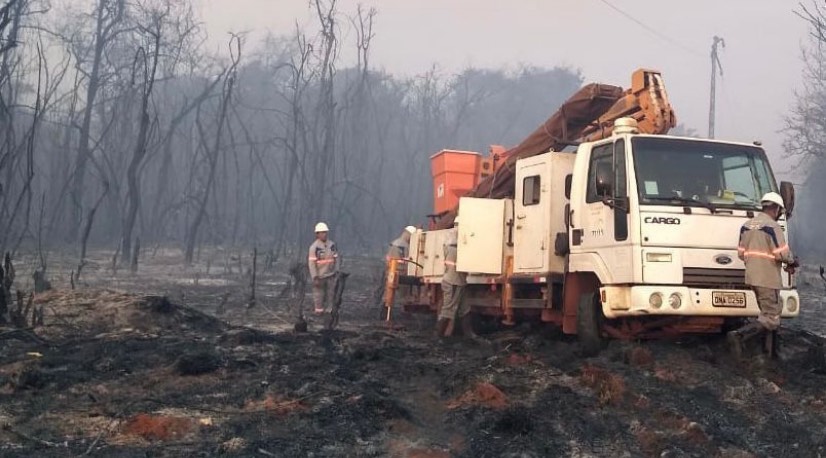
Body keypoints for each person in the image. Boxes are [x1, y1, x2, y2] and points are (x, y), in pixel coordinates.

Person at [728, 192, 799, 359]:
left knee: (767, 313)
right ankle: (739, 335)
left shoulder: (747, 226)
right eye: (779, 211)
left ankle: (769, 353)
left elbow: (741, 254)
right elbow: (781, 254)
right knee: (771, 317)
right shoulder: (772, 227)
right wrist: (792, 261)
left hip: (752, 277)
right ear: (775, 209)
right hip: (768, 279)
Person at [435, 216, 477, 339]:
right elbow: (457, 265)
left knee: (465, 309)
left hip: (459, 281)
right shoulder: (454, 245)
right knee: (448, 310)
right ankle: (438, 337)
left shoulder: (452, 242)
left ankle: (469, 335)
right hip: (453, 282)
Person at [308, 222, 340, 315]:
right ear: (317, 234)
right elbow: (311, 263)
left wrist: (337, 270)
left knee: (331, 294)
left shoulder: (332, 245)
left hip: (331, 275)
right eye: (322, 232)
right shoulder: (314, 247)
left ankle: (329, 312)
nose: (324, 234)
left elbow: (336, 258)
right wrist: (315, 277)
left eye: (325, 232)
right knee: (319, 295)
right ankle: (318, 312)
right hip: (320, 276)